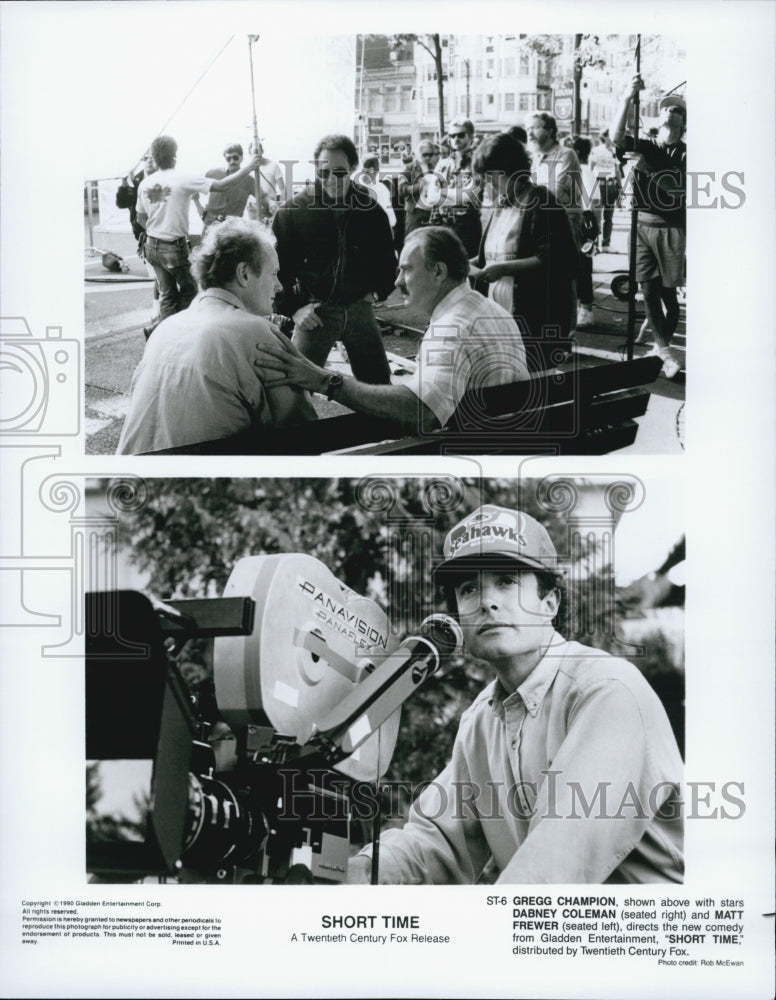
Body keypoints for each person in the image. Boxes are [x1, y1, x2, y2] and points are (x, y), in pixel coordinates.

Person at [347, 503, 684, 884]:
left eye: (506, 581)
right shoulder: (481, 721)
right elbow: (433, 843)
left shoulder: (607, 691)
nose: (487, 601)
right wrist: (355, 876)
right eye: (469, 588)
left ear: (549, 603)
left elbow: (555, 865)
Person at [255, 226, 529, 434]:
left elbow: (421, 411)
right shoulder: (489, 309)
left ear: (438, 272)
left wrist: (325, 381)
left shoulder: (451, 328)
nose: (398, 281)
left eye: (407, 270)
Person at [116, 219, 315, 455]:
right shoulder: (256, 333)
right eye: (273, 275)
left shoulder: (165, 328)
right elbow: (302, 436)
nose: (279, 286)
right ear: (244, 274)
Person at [271, 133, 397, 385]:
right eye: (323, 172)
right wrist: (293, 307)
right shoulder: (293, 210)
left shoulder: (370, 210)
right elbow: (274, 268)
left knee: (380, 387)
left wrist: (377, 292)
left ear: (352, 168)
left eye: (339, 173)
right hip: (315, 312)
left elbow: (387, 260)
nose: (330, 180)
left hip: (358, 308)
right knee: (292, 391)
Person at [469, 133, 578, 373]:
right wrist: (461, 263)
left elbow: (557, 258)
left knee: (533, 380)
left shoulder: (541, 200)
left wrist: (503, 269)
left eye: (493, 177)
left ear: (512, 169)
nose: (490, 184)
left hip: (535, 315)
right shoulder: (500, 205)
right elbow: (490, 257)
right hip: (499, 309)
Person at [135, 135, 260, 332]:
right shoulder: (183, 178)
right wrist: (249, 167)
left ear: (156, 158)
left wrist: (157, 228)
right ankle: (182, 334)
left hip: (151, 246)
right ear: (174, 156)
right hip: (172, 246)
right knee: (191, 290)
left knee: (167, 294)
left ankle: (161, 333)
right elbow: (221, 185)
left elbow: (140, 218)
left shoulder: (145, 184)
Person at [612, 77, 686, 379]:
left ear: (683, 122)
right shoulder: (645, 146)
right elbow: (616, 137)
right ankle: (664, 350)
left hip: (671, 228)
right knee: (648, 290)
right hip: (641, 223)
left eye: (676, 109)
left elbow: (679, 192)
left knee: (669, 297)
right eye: (666, 107)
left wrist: (649, 172)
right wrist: (627, 97)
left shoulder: (685, 153)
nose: (669, 110)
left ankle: (660, 347)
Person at [528, 112, 594, 330]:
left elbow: (554, 190)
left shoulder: (566, 155)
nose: (530, 132)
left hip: (565, 219)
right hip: (541, 219)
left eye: (535, 128)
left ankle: (573, 321)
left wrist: (527, 197)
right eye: (528, 128)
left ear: (550, 130)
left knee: (568, 274)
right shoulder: (535, 157)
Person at [430, 118, 483, 256]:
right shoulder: (442, 164)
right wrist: (457, 196)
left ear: (471, 136)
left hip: (468, 229)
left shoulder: (478, 163)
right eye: (452, 135)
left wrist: (442, 193)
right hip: (443, 227)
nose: (456, 139)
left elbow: (469, 196)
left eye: (461, 135)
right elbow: (430, 197)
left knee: (469, 271)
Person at [195, 142, 256, 230]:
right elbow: (195, 184)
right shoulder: (212, 173)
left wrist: (270, 202)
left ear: (241, 158)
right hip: (211, 225)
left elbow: (263, 197)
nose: (232, 161)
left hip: (233, 227)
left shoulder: (249, 181)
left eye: (235, 158)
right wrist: (196, 201)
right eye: (228, 158)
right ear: (225, 159)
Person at [401, 140, 442, 238]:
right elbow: (401, 189)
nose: (428, 157)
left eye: (431, 155)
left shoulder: (435, 167)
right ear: (417, 154)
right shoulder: (408, 168)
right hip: (415, 211)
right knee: (412, 241)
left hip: (431, 211)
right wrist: (418, 186)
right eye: (425, 155)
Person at [589, 130, 621, 250]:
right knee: (596, 216)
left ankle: (606, 244)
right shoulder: (596, 150)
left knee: (609, 216)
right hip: (599, 183)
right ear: (605, 137)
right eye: (611, 136)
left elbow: (617, 169)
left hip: (611, 184)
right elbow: (590, 167)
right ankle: (595, 243)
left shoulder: (615, 151)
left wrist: (620, 186)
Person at [244, 139, 287, 224]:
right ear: (249, 152)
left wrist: (281, 207)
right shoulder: (246, 168)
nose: (256, 153)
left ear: (262, 151)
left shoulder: (273, 166)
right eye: (254, 151)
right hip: (253, 208)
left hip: (270, 206)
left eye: (258, 150)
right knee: (256, 233)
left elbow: (282, 189)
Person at [358, 155, 396, 230]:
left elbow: (391, 219)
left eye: (368, 172)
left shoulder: (382, 189)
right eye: (362, 171)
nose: (364, 175)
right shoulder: (355, 188)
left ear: (376, 172)